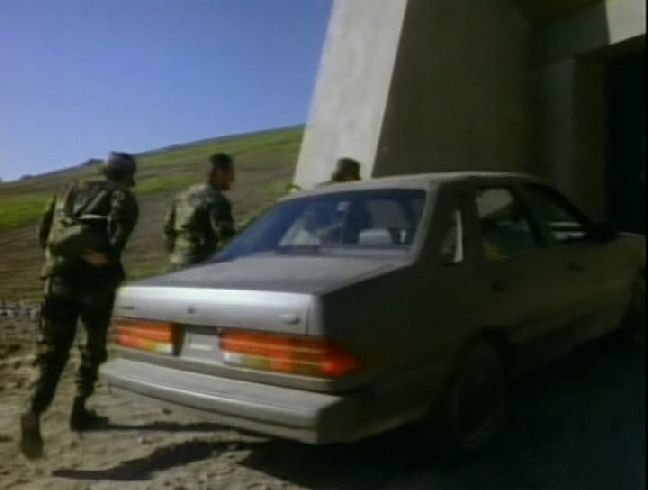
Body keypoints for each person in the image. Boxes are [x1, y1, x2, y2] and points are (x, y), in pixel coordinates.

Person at [20, 152, 139, 459]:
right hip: (96, 286)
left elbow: (44, 234)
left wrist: (64, 259)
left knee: (50, 348)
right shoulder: (122, 197)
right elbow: (116, 243)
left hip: (58, 280)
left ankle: (33, 410)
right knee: (92, 345)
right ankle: (79, 408)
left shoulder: (67, 190)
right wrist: (101, 258)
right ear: (127, 175)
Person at [164, 153, 236, 269]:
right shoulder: (216, 200)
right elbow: (227, 238)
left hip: (177, 262)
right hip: (202, 263)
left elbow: (168, 230)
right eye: (230, 173)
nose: (233, 179)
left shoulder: (183, 195)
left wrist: (175, 255)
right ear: (220, 173)